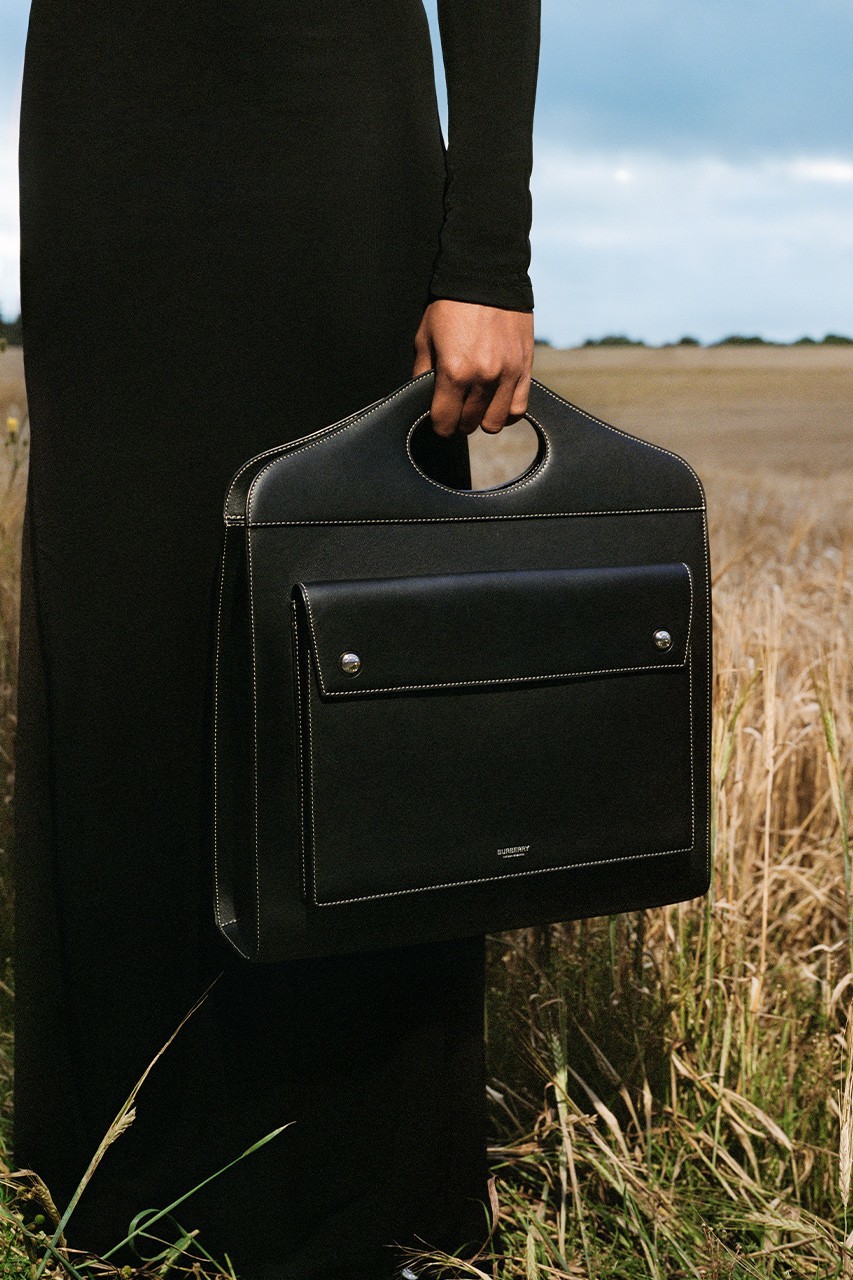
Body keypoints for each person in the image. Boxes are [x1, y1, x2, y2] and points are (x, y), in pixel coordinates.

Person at [13, 1, 540, 1275]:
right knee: (120, 647)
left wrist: (488, 251)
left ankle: (372, 1205)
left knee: (346, 661)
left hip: (333, 130)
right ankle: (120, 1190)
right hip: (101, 139)